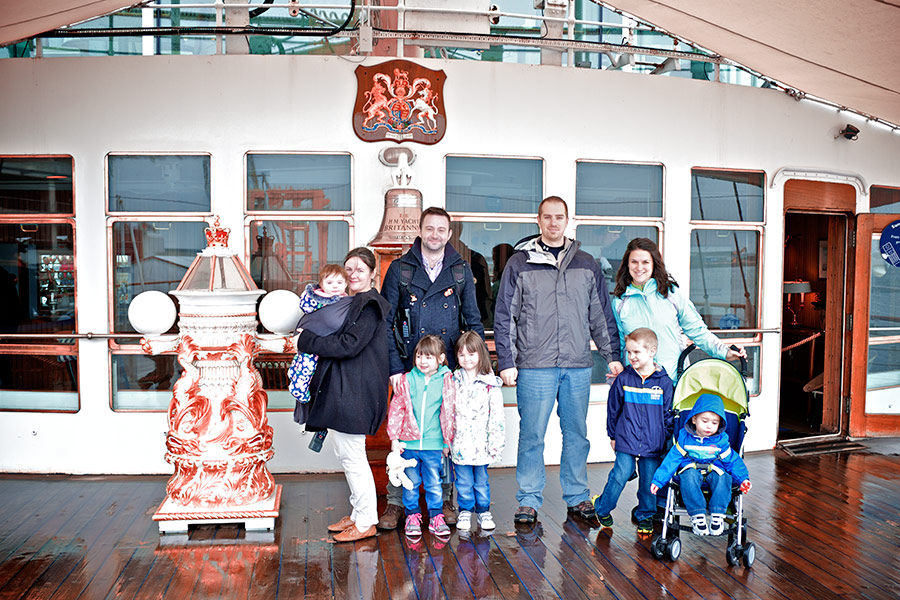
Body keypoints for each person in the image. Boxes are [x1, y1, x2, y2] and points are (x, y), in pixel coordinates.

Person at [493, 195, 624, 525]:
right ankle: (528, 499)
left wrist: (612, 357)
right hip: (535, 365)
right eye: (547, 217)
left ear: (568, 221)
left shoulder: (587, 263)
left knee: (576, 433)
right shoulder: (519, 263)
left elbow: (601, 315)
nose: (553, 223)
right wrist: (506, 361)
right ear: (538, 221)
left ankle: (578, 496)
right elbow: (504, 316)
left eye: (559, 217)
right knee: (532, 435)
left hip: (577, 364)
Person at [379, 206, 485, 529]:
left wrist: (474, 369)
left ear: (449, 234)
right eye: (430, 228)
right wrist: (395, 367)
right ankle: (396, 502)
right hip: (410, 371)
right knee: (402, 432)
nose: (435, 235)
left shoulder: (461, 270)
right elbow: (385, 322)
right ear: (421, 230)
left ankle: (446, 499)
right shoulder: (401, 270)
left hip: (448, 370)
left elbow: (474, 321)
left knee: (445, 435)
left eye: (442, 229)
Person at [292, 247, 390, 543]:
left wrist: (306, 340)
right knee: (346, 455)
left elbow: (348, 344)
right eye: (348, 269)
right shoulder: (352, 302)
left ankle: (366, 521)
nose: (353, 274)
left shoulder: (370, 305)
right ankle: (359, 513)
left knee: (353, 456)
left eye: (360, 269)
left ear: (373, 273)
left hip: (356, 391)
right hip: (346, 388)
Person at [612, 237, 746, 381]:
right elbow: (620, 343)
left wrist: (724, 352)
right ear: (627, 264)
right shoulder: (620, 301)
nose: (639, 267)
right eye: (634, 262)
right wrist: (617, 371)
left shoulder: (671, 294)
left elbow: (697, 330)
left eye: (645, 262)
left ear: (654, 264)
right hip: (636, 383)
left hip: (672, 378)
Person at [592, 328, 673, 535]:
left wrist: (666, 440)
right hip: (626, 439)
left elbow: (669, 415)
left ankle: (645, 515)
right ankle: (602, 507)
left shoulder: (664, 382)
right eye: (629, 352)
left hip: (653, 443)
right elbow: (613, 410)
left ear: (652, 351)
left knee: (649, 481)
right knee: (621, 473)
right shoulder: (624, 379)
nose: (631, 357)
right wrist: (612, 435)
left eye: (636, 352)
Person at [651, 393, 752, 536]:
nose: (709, 426)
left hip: (716, 470)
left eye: (715, 423)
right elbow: (671, 460)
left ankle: (718, 515)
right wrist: (658, 480)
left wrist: (743, 478)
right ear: (694, 419)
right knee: (688, 476)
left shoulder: (721, 441)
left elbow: (733, 461)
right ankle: (697, 516)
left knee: (724, 478)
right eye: (705, 421)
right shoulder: (685, 439)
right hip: (691, 471)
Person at [385, 335, 455, 538]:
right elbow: (397, 409)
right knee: (411, 483)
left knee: (434, 483)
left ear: (441, 358)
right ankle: (412, 516)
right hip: (409, 444)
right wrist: (395, 439)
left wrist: (446, 441)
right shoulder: (408, 380)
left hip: (434, 445)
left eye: (429, 357)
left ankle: (436, 516)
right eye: (419, 356)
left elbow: (449, 411)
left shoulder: (446, 380)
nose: (423, 361)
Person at [449, 331, 505, 532]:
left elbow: (496, 417)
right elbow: (448, 412)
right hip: (460, 443)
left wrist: (495, 444)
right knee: (463, 480)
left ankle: (483, 511)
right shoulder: (453, 380)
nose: (467, 359)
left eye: (471, 354)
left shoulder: (490, 383)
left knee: (481, 481)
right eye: (462, 355)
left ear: (481, 354)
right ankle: (464, 510)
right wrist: (447, 441)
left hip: (482, 443)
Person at [287, 264, 349, 405]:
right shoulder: (317, 298)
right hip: (310, 336)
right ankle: (298, 387)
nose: (335, 286)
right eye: (329, 282)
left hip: (321, 338)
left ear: (346, 284)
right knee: (307, 363)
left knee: (307, 363)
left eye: (339, 282)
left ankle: (293, 374)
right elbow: (306, 306)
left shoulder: (344, 300)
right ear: (321, 284)